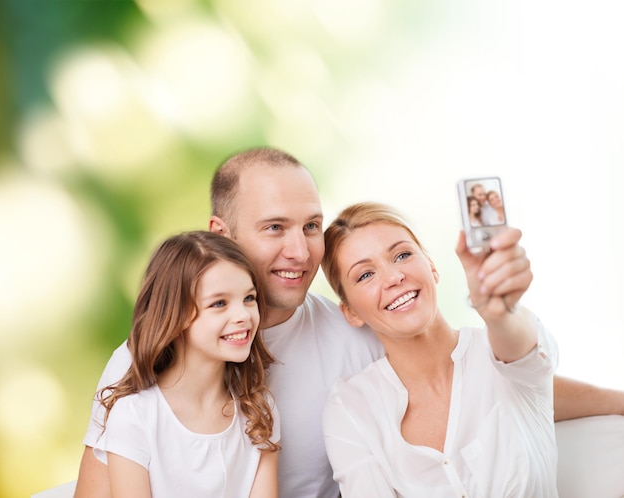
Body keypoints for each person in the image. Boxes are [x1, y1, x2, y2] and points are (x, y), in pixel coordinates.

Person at [75, 146, 624, 498]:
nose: (299, 250)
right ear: (221, 232)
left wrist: (612, 398)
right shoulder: (147, 358)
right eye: (274, 228)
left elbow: (494, 382)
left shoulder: (356, 337)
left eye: (311, 225)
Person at [321, 201, 558, 497]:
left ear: (431, 266)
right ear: (351, 313)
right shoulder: (352, 406)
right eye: (365, 275)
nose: (394, 278)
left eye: (402, 255)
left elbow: (523, 350)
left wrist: (499, 311)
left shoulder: (499, 353)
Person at [92, 231, 280, 497]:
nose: (243, 315)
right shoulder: (135, 416)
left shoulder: (258, 410)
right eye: (219, 303)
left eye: (249, 298)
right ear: (175, 315)